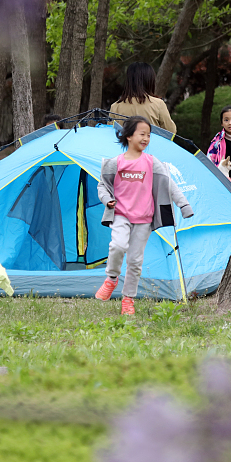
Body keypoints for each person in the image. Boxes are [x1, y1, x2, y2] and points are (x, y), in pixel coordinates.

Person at [94, 116, 194, 315]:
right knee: (117, 246)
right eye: (142, 134)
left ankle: (128, 299)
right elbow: (102, 186)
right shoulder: (115, 163)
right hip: (121, 215)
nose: (146, 138)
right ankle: (111, 278)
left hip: (144, 220)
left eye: (148, 135)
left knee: (135, 261)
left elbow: (168, 183)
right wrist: (107, 200)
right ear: (129, 136)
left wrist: (184, 205)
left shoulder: (151, 162)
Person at [109, 62, 177, 134]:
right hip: (151, 141)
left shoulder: (115, 107)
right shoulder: (158, 104)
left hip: (125, 141)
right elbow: (170, 131)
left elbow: (110, 133)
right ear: (150, 80)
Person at [207, 105, 231, 191]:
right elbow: (209, 162)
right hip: (223, 184)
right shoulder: (217, 142)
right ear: (222, 123)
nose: (230, 123)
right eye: (226, 120)